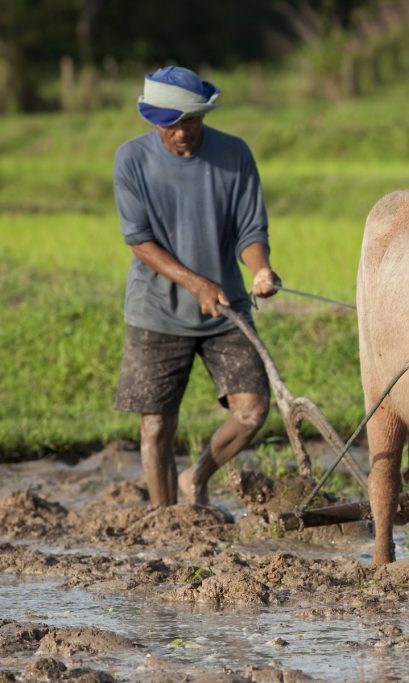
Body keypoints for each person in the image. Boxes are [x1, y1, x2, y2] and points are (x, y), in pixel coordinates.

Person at [113, 65, 279, 507]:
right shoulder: (131, 160)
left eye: (189, 120)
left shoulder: (234, 154)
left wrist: (260, 269)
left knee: (252, 410)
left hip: (224, 307)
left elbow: (250, 231)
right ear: (153, 121)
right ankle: (166, 516)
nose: (181, 132)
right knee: (156, 426)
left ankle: (196, 477)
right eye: (170, 123)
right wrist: (195, 282)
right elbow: (140, 242)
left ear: (202, 116)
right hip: (156, 309)